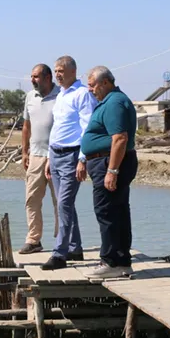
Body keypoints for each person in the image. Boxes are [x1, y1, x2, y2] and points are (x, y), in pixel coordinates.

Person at [81, 66, 138, 278]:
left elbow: (120, 138)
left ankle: (111, 261)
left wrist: (112, 170)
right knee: (118, 211)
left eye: (92, 85)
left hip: (110, 162)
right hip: (106, 161)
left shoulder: (114, 102)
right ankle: (121, 261)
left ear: (105, 83)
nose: (90, 90)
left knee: (107, 212)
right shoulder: (109, 102)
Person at [41, 55, 98, 270]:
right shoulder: (61, 95)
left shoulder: (82, 94)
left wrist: (83, 159)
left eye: (61, 71)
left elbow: (87, 128)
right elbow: (56, 128)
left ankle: (59, 254)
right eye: (56, 71)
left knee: (64, 203)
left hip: (72, 155)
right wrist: (48, 157)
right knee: (64, 204)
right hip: (55, 155)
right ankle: (75, 248)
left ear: (73, 72)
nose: (57, 74)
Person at [19, 64, 59, 255]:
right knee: (32, 199)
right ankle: (34, 240)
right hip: (35, 155)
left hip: (58, 156)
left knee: (60, 201)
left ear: (48, 77)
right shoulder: (29, 96)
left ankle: (63, 240)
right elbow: (26, 126)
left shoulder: (61, 95)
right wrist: (24, 151)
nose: (32, 80)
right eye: (32, 76)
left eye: (36, 76)